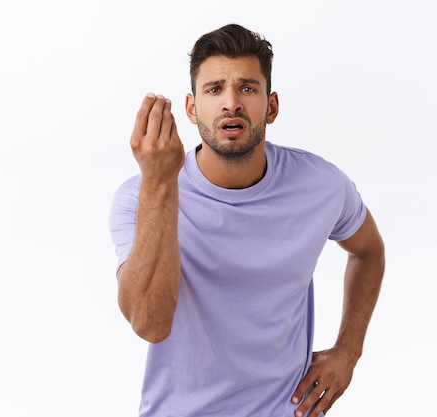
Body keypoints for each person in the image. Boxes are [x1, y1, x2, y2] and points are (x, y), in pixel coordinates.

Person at [108, 23, 385, 417]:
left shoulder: (322, 186)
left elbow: (368, 251)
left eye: (247, 88)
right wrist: (160, 181)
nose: (231, 103)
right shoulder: (140, 197)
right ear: (191, 108)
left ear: (271, 106)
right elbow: (150, 324)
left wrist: (348, 351)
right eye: (215, 89)